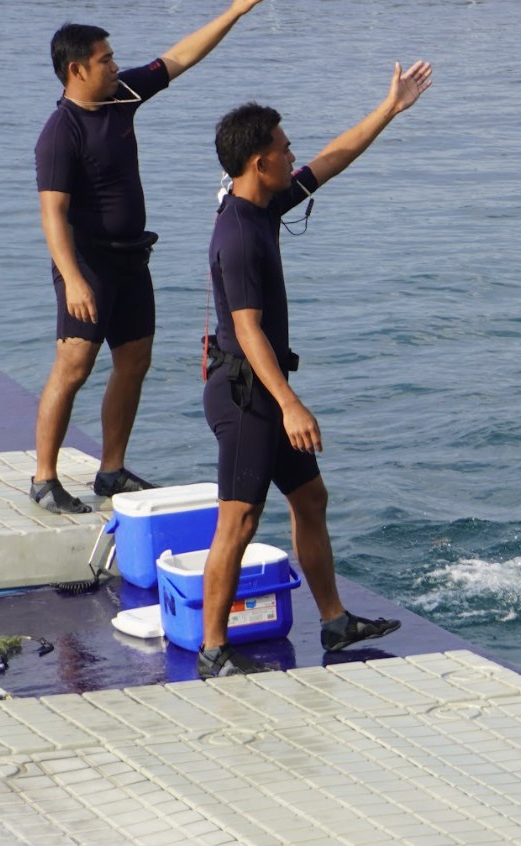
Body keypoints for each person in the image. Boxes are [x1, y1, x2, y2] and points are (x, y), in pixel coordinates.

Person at [194, 59, 434, 678]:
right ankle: (214, 650)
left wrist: (391, 108)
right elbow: (246, 330)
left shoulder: (262, 206)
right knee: (239, 520)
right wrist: (291, 404)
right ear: (259, 163)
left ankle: (333, 622)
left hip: (261, 389)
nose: (292, 153)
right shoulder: (241, 233)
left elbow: (333, 157)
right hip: (247, 394)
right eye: (283, 147)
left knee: (310, 498)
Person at [32, 0, 268, 515]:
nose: (116, 65)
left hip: (132, 259)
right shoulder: (59, 134)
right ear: (76, 70)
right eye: (105, 60)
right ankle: (44, 478)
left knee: (135, 359)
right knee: (73, 366)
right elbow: (52, 216)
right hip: (85, 265)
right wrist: (71, 280)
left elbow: (180, 57)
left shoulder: (121, 96)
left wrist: (231, 13)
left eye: (114, 58)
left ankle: (111, 471)